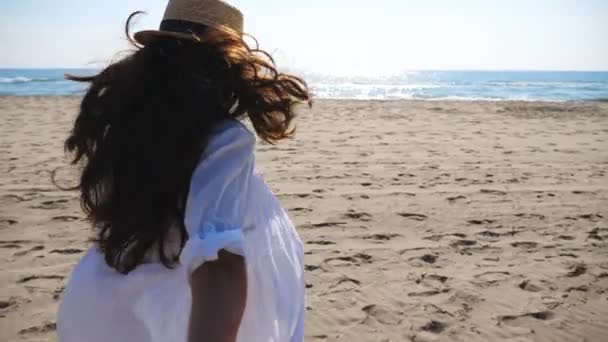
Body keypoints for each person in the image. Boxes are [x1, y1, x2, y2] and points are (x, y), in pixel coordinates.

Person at [55, 0, 311, 341]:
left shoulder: (120, 132)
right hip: (171, 314)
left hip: (98, 304)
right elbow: (219, 261)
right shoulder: (221, 140)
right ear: (223, 70)